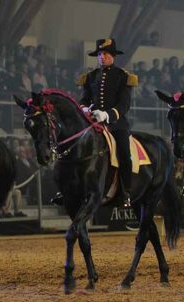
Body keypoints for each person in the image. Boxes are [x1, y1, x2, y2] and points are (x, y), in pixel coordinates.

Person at [78, 38, 138, 207]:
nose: (101, 57)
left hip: (116, 124)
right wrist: (84, 109)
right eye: (99, 54)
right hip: (93, 123)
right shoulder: (90, 77)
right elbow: (83, 100)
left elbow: (124, 105)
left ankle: (126, 191)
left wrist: (107, 115)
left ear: (113, 56)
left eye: (104, 54)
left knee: (125, 154)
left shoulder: (123, 76)